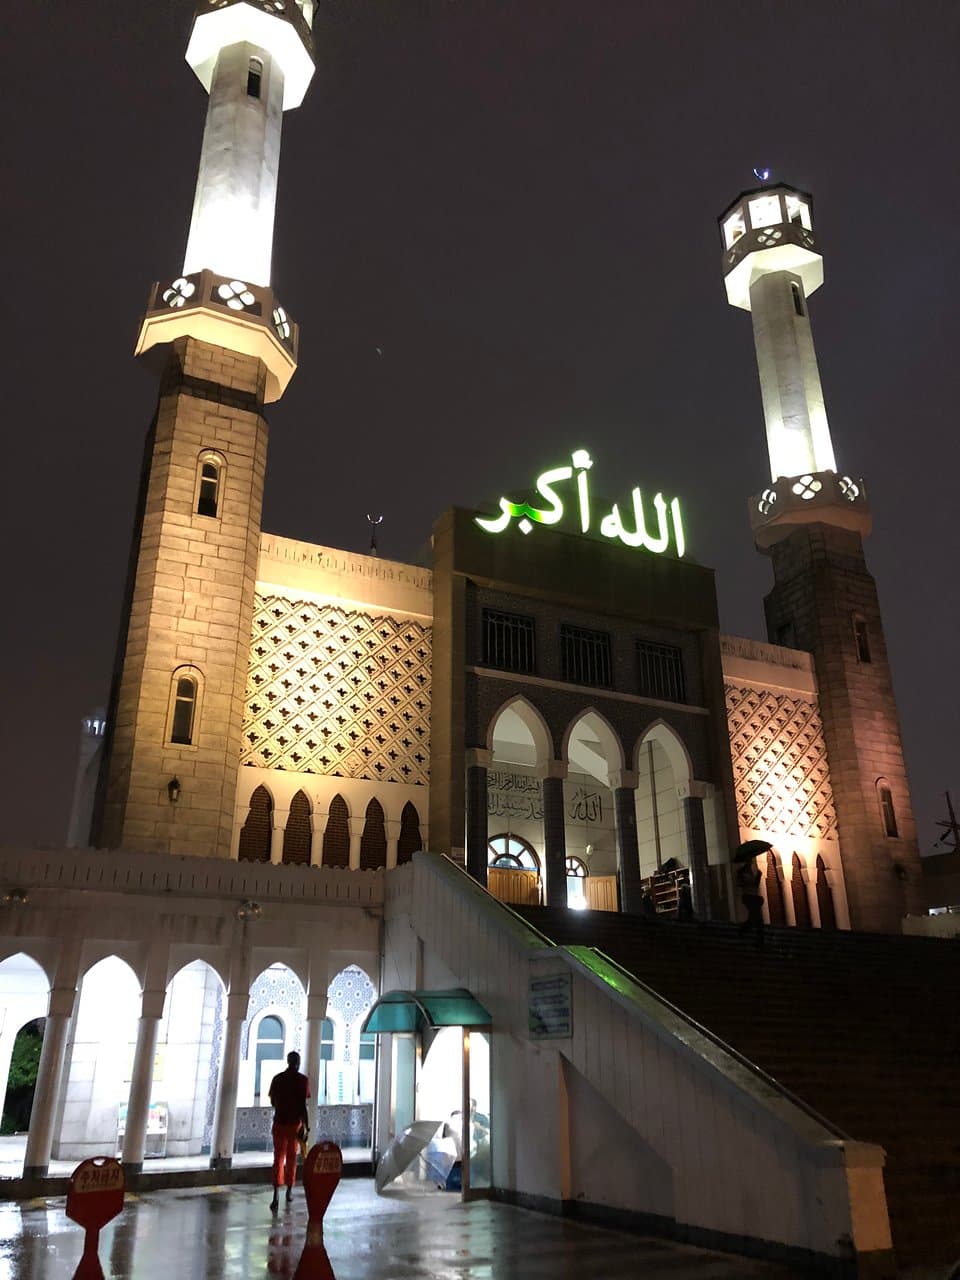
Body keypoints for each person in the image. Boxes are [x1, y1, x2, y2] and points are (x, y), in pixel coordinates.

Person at [268, 1050, 311, 1212]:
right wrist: (306, 1126)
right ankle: (289, 1191)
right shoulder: (302, 1080)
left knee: (278, 1158)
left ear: (287, 1061)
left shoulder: (277, 1079)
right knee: (292, 1158)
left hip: (279, 1123)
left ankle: (275, 1195)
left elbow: (273, 1102)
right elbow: (303, 1106)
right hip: (294, 1125)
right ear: (298, 1063)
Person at [736, 856, 764, 945]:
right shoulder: (741, 871)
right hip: (748, 896)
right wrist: (747, 882)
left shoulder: (752, 871)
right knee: (755, 916)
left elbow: (755, 885)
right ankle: (743, 930)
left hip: (754, 896)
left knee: (757, 917)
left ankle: (758, 937)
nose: (750, 862)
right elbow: (740, 883)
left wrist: (758, 876)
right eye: (749, 860)